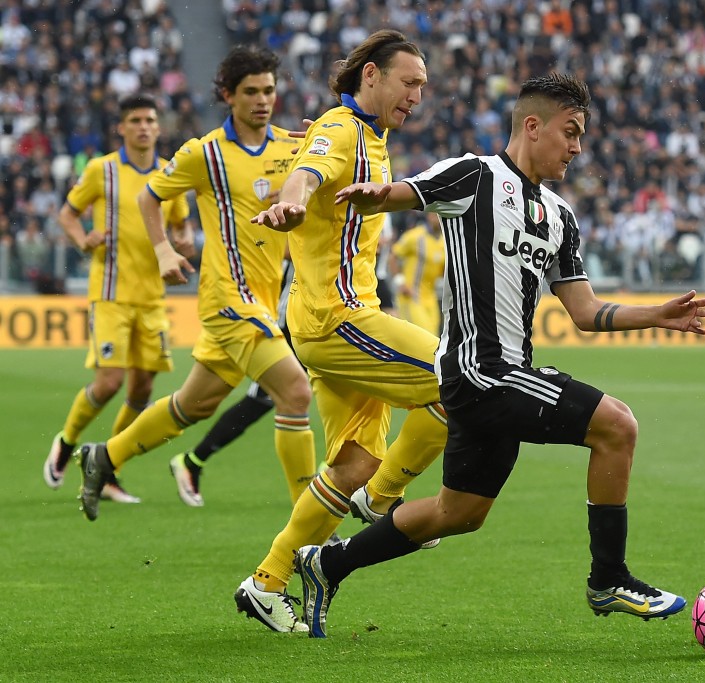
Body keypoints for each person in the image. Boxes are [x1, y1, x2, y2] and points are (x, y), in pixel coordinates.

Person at [292, 73, 705, 638]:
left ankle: (325, 564)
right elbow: (406, 191)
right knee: (616, 425)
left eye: (582, 136)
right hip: (479, 371)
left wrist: (655, 316)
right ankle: (608, 578)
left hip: (501, 381)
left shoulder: (561, 218)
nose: (577, 147)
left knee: (458, 514)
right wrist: (375, 195)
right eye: (570, 132)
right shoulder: (475, 175)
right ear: (531, 125)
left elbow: (585, 311)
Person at [237, 29, 447, 634]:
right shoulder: (343, 129)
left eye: (422, 87)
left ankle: (267, 581)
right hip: (340, 319)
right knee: (464, 382)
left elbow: (316, 159)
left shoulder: (365, 135)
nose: (416, 96)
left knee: (352, 464)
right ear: (372, 76)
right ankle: (381, 501)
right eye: (408, 82)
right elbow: (308, 172)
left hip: (324, 319)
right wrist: (292, 200)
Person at [75, 45, 316, 521]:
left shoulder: (291, 146)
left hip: (266, 299)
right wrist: (164, 248)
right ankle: (311, 527)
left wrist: (321, 142)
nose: (263, 100)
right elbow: (149, 196)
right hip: (228, 299)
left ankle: (104, 456)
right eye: (251, 92)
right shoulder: (203, 154)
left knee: (193, 405)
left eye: (269, 90)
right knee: (295, 392)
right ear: (228, 95)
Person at [43, 94, 192, 505]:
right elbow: (68, 214)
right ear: (121, 128)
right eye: (135, 120)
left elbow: (180, 224)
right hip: (110, 292)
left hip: (153, 297)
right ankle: (67, 440)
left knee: (142, 390)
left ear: (158, 128)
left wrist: (181, 240)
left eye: (150, 120)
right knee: (109, 382)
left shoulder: (168, 173)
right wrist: (82, 239)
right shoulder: (101, 170)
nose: (144, 126)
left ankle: (106, 469)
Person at [168, 256, 295, 507]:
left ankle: (342, 477)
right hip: (292, 320)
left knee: (345, 395)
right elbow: (287, 247)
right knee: (263, 401)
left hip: (335, 315)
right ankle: (192, 461)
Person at [389, 211, 445, 333]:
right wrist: (400, 282)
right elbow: (393, 256)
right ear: (429, 216)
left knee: (434, 339)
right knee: (424, 338)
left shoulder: (443, 242)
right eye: (437, 215)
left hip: (431, 298)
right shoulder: (415, 236)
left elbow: (443, 272)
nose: (440, 218)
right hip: (412, 296)